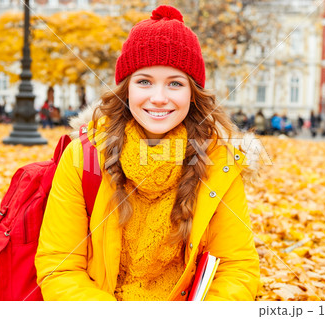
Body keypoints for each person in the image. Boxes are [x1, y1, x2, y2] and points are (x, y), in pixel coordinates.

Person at [35, 5, 260, 301]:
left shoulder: (219, 162)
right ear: (126, 88)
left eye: (175, 84)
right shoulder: (84, 156)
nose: (158, 98)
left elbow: (237, 268)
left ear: (193, 94)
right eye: (144, 81)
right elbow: (59, 265)